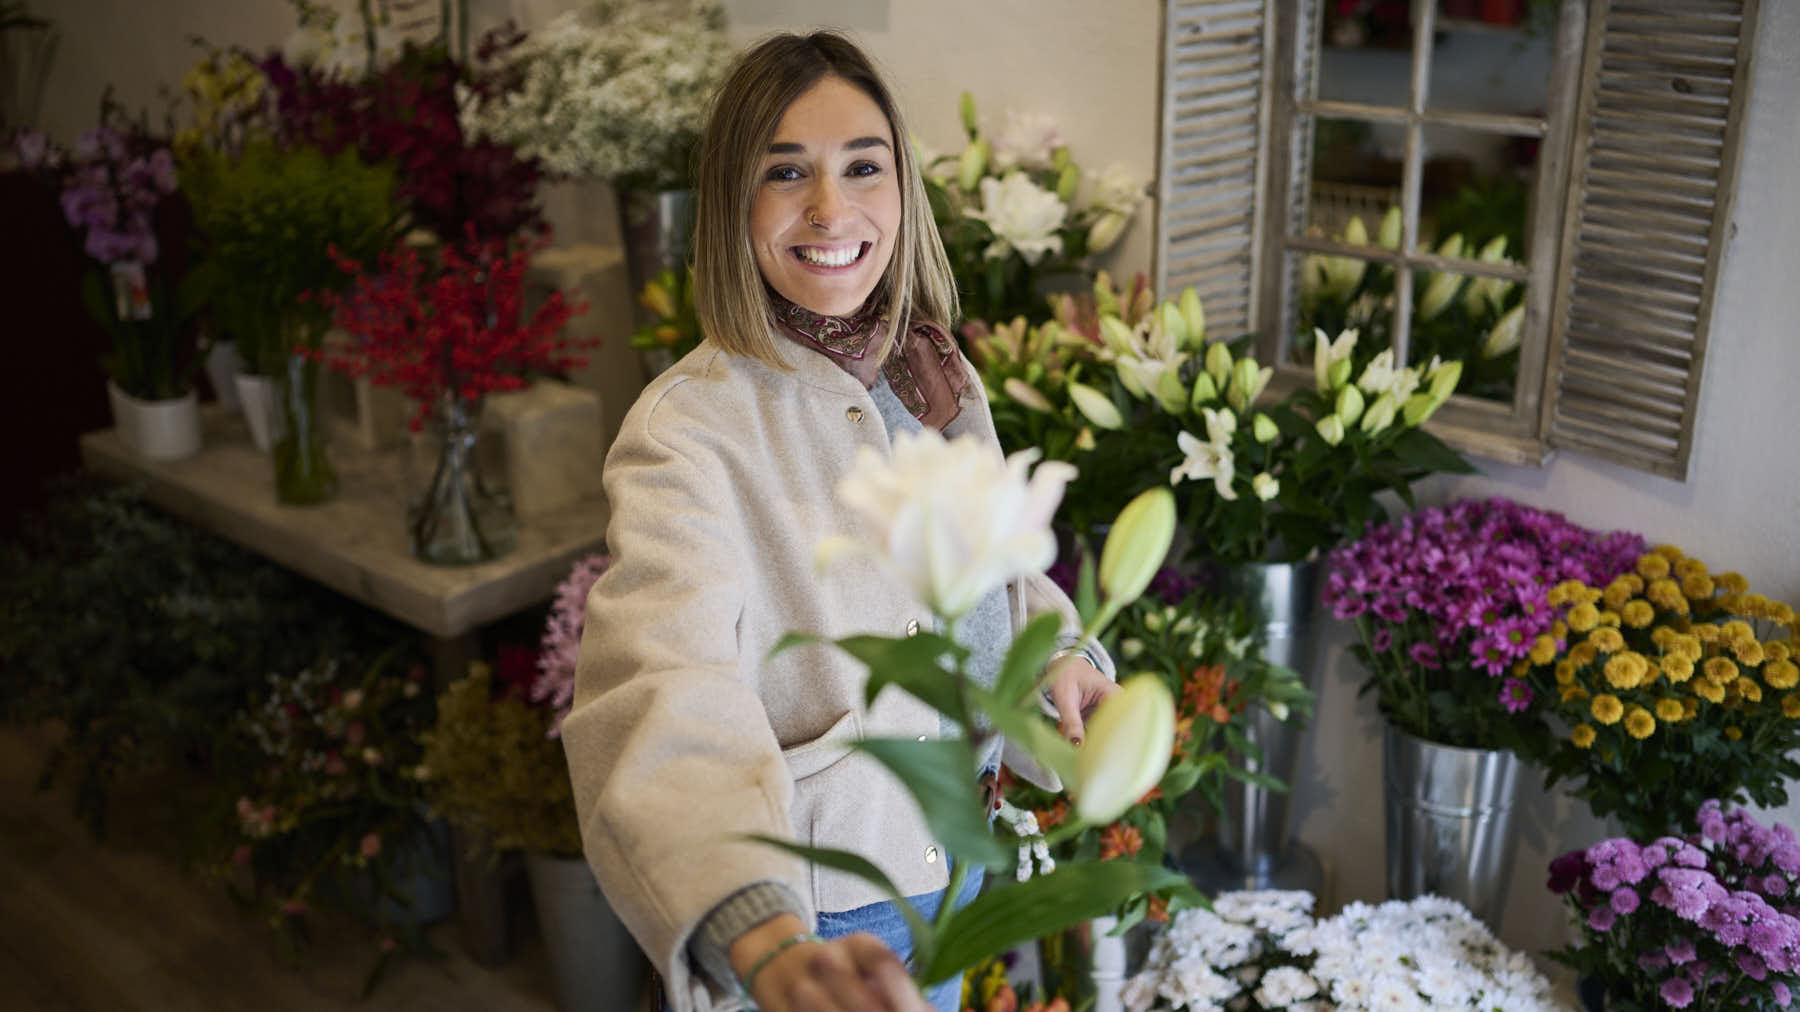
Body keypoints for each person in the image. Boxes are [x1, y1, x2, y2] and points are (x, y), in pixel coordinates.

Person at [561, 31, 1117, 1012]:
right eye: (787, 173)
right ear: (735, 200)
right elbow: (661, 689)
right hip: (821, 918)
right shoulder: (690, 428)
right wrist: (766, 939)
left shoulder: (929, 371)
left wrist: (1062, 661)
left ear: (902, 188)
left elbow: (985, 575)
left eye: (864, 166)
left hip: (954, 875)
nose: (831, 209)